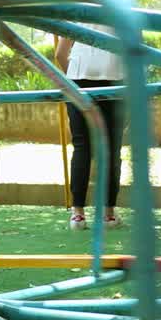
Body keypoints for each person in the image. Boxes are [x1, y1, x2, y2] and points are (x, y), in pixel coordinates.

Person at [55, 28, 125, 231]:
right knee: (112, 146)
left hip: (78, 79)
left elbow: (60, 54)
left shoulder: (75, 13)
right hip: (115, 79)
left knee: (82, 146)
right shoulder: (121, 13)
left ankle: (78, 214)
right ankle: (108, 214)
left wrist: (74, 78)